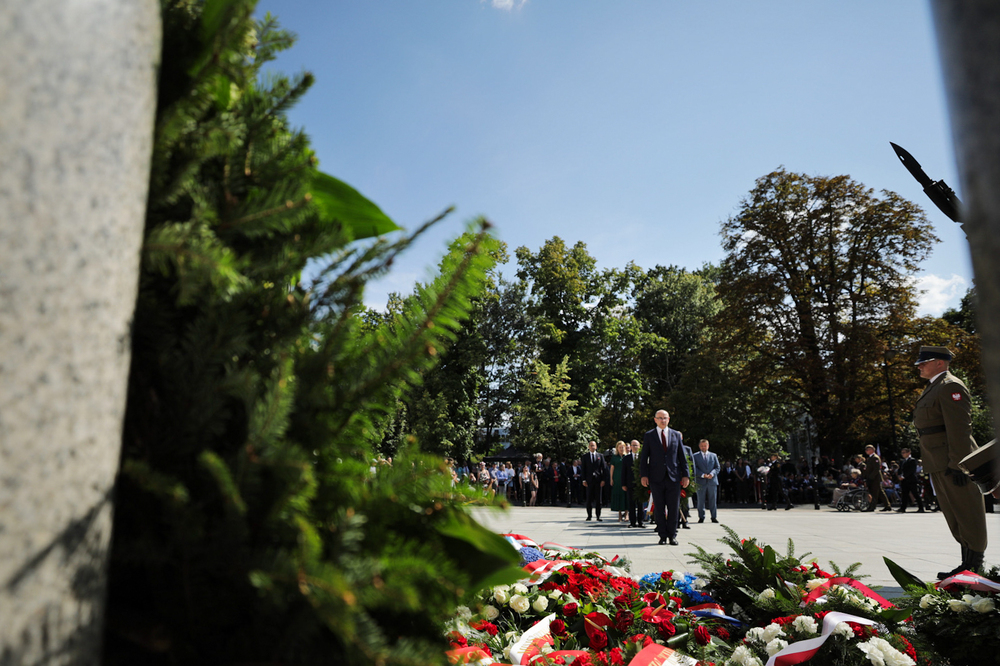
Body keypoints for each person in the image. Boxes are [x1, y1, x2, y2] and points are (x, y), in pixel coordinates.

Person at [912, 345, 987, 577]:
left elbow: (960, 429)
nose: (920, 366)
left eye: (925, 362)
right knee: (954, 513)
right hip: (938, 460)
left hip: (952, 461)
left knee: (967, 511)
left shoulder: (950, 386)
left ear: (940, 363)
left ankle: (975, 566)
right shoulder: (935, 387)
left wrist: (959, 464)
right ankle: (967, 563)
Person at [639, 410, 690, 545]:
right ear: (655, 420)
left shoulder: (675, 435)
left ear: (669, 419)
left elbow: (682, 457)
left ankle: (672, 535)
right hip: (656, 477)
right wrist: (643, 475)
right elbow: (644, 457)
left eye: (665, 418)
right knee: (659, 508)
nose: (663, 420)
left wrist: (686, 475)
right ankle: (662, 536)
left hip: (674, 478)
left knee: (673, 508)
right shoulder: (649, 435)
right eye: (660, 418)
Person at [693, 438, 721, 523]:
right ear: (699, 446)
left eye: (705, 446)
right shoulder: (695, 456)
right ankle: (701, 517)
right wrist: (702, 475)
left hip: (712, 481)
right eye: (702, 446)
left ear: (708, 446)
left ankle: (714, 517)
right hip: (700, 481)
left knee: (713, 500)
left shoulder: (713, 455)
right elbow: (694, 468)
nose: (703, 447)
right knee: (700, 500)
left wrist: (712, 474)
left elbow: (717, 467)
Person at [582, 440, 607, 521]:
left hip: (598, 480)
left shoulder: (600, 456)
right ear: (589, 447)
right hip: (589, 480)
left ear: (596, 447)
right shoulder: (585, 456)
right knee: (589, 499)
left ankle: (598, 516)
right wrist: (584, 480)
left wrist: (603, 479)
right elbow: (583, 469)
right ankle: (589, 515)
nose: (592, 447)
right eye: (591, 445)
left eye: (594, 445)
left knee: (598, 499)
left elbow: (604, 468)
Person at [862, 445, 892, 511]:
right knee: (880, 492)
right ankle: (887, 506)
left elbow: (876, 469)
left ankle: (872, 507)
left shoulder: (875, 458)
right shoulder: (870, 458)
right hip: (872, 477)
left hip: (875, 478)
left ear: (872, 450)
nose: (866, 451)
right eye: (866, 450)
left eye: (868, 449)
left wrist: (870, 477)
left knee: (874, 492)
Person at [623, 440, 645, 528]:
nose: (635, 447)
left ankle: (641, 522)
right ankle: (632, 522)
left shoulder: (642, 458)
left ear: (639, 447)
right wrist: (623, 484)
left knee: (641, 504)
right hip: (630, 484)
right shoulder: (626, 458)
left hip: (641, 484)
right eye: (633, 445)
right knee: (631, 504)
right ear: (630, 447)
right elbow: (623, 472)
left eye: (636, 445)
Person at [609, 441, 630, 522]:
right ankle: (620, 514)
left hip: (625, 478)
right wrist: (611, 479)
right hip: (617, 478)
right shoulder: (614, 457)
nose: (621, 449)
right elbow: (612, 468)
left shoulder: (627, 456)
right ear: (617, 448)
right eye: (620, 447)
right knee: (618, 495)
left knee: (626, 495)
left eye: (622, 447)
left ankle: (627, 514)